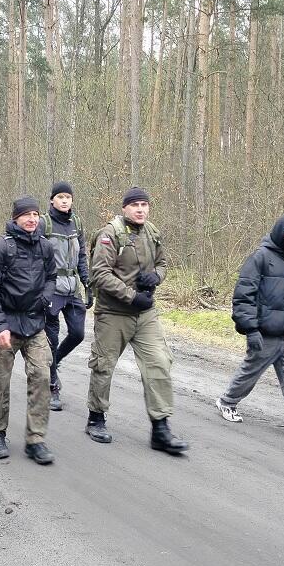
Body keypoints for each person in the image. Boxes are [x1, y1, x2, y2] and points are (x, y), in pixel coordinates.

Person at [84, 187, 188, 454]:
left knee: (159, 362)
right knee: (104, 365)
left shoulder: (152, 232)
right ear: (124, 208)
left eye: (144, 204)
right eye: (135, 205)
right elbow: (100, 274)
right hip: (114, 313)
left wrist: (157, 277)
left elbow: (163, 263)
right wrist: (131, 296)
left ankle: (160, 429)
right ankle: (96, 418)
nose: (140, 209)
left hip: (145, 313)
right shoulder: (110, 234)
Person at [215, 214, 284, 446]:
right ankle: (227, 401)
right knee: (250, 372)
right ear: (280, 232)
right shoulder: (260, 258)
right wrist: (250, 329)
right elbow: (243, 296)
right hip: (265, 333)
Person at [0, 196, 57, 465]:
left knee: (42, 377)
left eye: (35, 214)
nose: (32, 219)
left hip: (35, 324)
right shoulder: (1, 247)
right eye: (26, 215)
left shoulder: (45, 246)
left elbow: (52, 277)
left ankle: (36, 439)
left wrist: (45, 298)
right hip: (6, 326)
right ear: (16, 218)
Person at [40, 181, 91, 411]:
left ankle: (55, 361)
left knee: (78, 334)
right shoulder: (44, 224)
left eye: (68, 197)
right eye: (60, 197)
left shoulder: (76, 223)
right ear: (52, 200)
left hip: (72, 289)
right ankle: (52, 387)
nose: (64, 200)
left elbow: (82, 255)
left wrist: (87, 282)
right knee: (51, 339)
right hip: (51, 289)